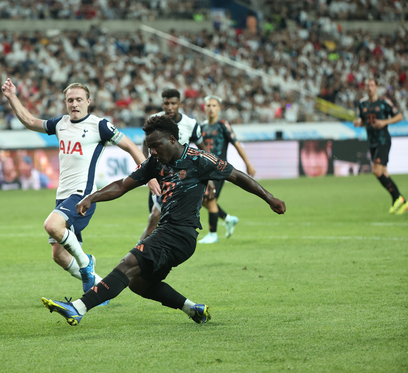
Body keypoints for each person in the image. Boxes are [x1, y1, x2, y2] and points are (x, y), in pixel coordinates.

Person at [41, 115, 286, 326]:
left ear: (172, 140)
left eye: (156, 146)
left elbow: (236, 176)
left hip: (180, 233)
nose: (152, 152)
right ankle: (193, 309)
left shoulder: (199, 160)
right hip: (171, 233)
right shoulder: (155, 163)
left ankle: (78, 308)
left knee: (127, 264)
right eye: (149, 148)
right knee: (138, 284)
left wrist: (269, 197)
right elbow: (123, 185)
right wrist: (92, 197)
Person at [1, 78, 158, 295]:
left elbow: (130, 146)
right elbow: (30, 121)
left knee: (52, 225)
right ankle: (102, 289)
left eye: (78, 100)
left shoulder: (99, 125)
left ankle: (86, 263)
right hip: (62, 195)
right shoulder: (60, 124)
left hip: (83, 194)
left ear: (88, 101)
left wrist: (148, 175)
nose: (74, 104)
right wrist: (12, 97)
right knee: (59, 255)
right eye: (70, 100)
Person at [140, 89, 206, 240]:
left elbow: (204, 150)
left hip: (181, 179)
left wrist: (209, 176)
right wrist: (145, 169)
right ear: (162, 103)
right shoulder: (154, 121)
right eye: (166, 103)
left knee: (161, 219)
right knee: (155, 217)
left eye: (173, 103)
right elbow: (145, 145)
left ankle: (142, 251)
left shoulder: (190, 124)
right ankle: (140, 251)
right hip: (159, 176)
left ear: (179, 104)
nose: (169, 107)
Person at [198, 95, 256, 243]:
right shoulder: (202, 127)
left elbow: (236, 145)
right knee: (203, 199)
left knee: (209, 200)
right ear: (204, 107)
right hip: (205, 169)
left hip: (218, 169)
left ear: (219, 108)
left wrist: (248, 164)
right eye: (208, 105)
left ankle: (213, 234)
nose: (211, 108)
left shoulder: (223, 125)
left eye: (214, 106)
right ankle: (228, 219)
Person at [353, 78, 407, 215]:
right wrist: (359, 123)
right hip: (372, 142)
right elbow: (365, 121)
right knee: (383, 173)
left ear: (377, 87)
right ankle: (401, 201)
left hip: (383, 141)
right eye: (367, 85)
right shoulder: (362, 104)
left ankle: (398, 198)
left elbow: (399, 116)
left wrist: (385, 122)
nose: (369, 88)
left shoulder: (384, 102)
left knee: (376, 171)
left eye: (372, 85)